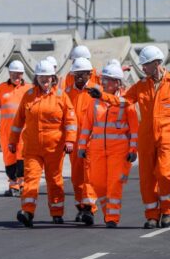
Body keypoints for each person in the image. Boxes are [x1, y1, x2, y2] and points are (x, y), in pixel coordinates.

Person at [87, 45, 170, 229]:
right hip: (146, 139)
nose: (143, 68)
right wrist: (103, 97)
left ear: (157, 63)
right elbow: (124, 101)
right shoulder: (140, 86)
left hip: (166, 138)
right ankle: (152, 216)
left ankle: (167, 210)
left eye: (146, 65)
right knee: (147, 179)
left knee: (165, 174)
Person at [8, 60, 77, 227]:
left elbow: (70, 121)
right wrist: (12, 141)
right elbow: (18, 121)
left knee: (54, 180)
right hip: (32, 147)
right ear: (36, 77)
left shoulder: (61, 96)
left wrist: (70, 140)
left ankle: (57, 212)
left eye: (48, 77)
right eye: (42, 77)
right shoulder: (29, 95)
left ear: (53, 78)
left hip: (54, 147)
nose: (45, 80)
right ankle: (27, 211)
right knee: (31, 179)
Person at [79, 64, 139, 228]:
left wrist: (133, 150)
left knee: (114, 184)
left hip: (119, 151)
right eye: (103, 79)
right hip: (97, 150)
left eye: (108, 80)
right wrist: (82, 146)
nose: (104, 83)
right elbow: (87, 126)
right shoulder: (96, 102)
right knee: (97, 183)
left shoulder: (127, 102)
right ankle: (108, 212)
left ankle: (112, 218)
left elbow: (134, 129)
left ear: (117, 83)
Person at [0, 60, 32, 197]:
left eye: (19, 74)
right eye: (14, 73)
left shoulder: (29, 89)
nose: (16, 76)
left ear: (22, 74)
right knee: (9, 158)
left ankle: (23, 183)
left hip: (23, 131)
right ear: (9, 73)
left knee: (22, 157)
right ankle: (13, 184)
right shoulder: (1, 88)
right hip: (6, 131)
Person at [64, 57, 100, 222]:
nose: (79, 77)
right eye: (76, 74)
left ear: (90, 74)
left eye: (82, 74)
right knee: (77, 177)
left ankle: (89, 208)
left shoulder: (97, 92)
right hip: (74, 143)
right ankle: (80, 207)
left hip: (92, 142)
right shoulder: (66, 93)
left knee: (89, 175)